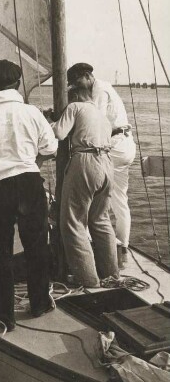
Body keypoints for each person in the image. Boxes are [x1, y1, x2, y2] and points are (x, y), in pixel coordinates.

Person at [0, 59, 58, 331]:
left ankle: (4, 316)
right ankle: (39, 303)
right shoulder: (32, 113)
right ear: (18, 84)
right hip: (29, 183)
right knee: (37, 247)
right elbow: (51, 147)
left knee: (1, 252)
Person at [67, 63, 136, 265]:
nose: (75, 87)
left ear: (87, 76)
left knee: (85, 192)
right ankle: (123, 248)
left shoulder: (99, 90)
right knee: (119, 199)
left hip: (113, 145)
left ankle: (90, 249)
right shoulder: (105, 87)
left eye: (76, 82)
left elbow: (91, 119)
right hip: (125, 145)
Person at [50, 86, 119, 287]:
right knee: (101, 220)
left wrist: (48, 121)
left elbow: (60, 133)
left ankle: (88, 279)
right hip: (107, 163)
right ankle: (111, 275)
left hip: (86, 161)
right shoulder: (102, 115)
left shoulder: (75, 106)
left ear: (74, 95)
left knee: (72, 223)